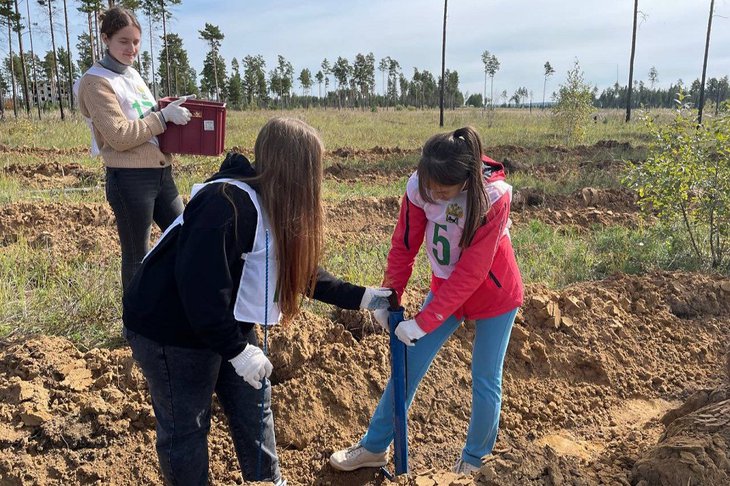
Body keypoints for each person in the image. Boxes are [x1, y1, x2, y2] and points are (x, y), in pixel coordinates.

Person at [122, 117, 392, 485]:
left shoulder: (271, 204)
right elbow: (198, 287)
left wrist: (364, 298)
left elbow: (304, 273)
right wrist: (237, 350)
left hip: (219, 322)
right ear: (297, 169)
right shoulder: (225, 205)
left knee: (254, 404)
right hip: (170, 329)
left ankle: (269, 481)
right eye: (314, 169)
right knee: (187, 426)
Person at [329, 126, 524, 474]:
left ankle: (475, 461)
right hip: (446, 287)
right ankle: (374, 447)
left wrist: (423, 321)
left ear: (466, 182)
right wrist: (389, 298)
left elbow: (473, 272)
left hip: (495, 292)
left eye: (443, 190)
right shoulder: (420, 186)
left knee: (484, 376)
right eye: (428, 186)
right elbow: (405, 244)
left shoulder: (494, 197)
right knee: (407, 365)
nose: (433, 194)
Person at [75, 6, 193, 290]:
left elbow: (143, 115)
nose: (131, 48)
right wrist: (162, 117)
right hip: (130, 179)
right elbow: (118, 134)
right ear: (106, 39)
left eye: (136, 42)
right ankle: (134, 326)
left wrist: (167, 108)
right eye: (124, 41)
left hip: (161, 174)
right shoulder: (95, 82)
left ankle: (170, 307)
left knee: (185, 235)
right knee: (137, 255)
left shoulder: (131, 75)